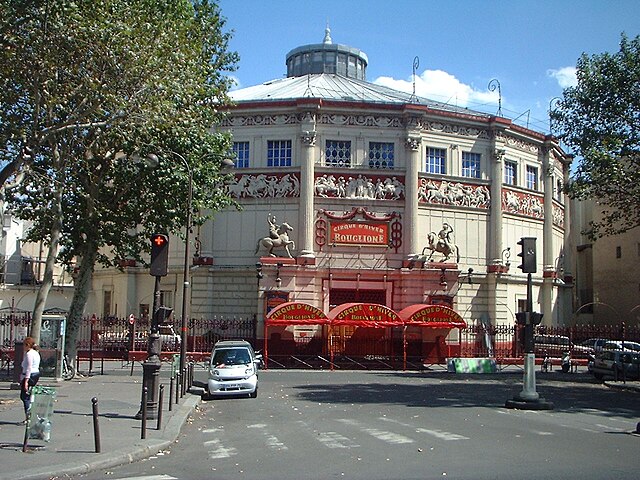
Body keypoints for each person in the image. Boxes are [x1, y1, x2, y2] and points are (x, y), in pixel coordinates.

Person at [20, 336, 41, 420]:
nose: (23, 347)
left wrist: (26, 381)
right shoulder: (36, 353)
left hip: (29, 375)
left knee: (24, 396)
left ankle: (28, 416)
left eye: (24, 345)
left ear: (27, 345)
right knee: (29, 395)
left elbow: (29, 367)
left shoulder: (29, 354)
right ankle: (30, 414)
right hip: (36, 374)